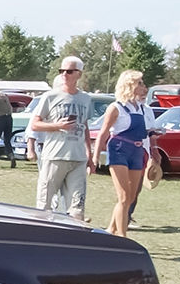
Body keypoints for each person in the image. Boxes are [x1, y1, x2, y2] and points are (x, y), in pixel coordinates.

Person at [29, 56, 93, 220]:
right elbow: (35, 124)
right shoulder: (50, 96)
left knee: (77, 207)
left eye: (69, 71)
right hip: (54, 156)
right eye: (62, 71)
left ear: (78, 74)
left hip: (78, 159)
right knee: (45, 206)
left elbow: (85, 126)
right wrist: (57, 126)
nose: (65, 74)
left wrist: (90, 156)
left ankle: (74, 241)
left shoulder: (86, 99)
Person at [91, 70, 153, 237]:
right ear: (130, 85)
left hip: (136, 151)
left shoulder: (141, 107)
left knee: (131, 197)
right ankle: (122, 236)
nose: (143, 86)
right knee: (124, 196)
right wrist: (95, 156)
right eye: (139, 83)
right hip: (119, 149)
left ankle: (111, 229)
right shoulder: (116, 107)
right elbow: (103, 133)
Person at [0, 91, 15, 168]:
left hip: (1, 118)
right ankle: (12, 156)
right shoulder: (4, 96)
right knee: (7, 140)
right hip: (9, 118)